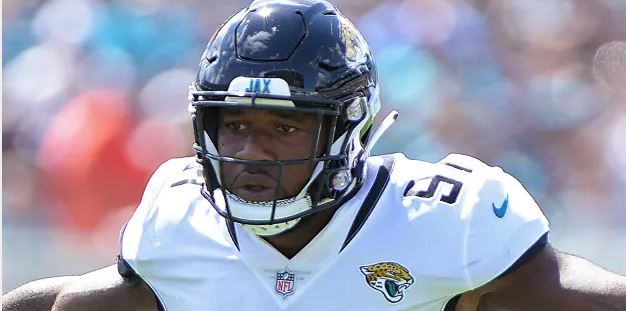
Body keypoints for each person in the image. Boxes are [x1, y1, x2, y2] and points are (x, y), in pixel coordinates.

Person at [4, 0, 626, 310]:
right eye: (235, 125)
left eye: (282, 129)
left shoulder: (448, 221)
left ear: (346, 130)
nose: (250, 151)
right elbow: (67, 302)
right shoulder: (176, 225)